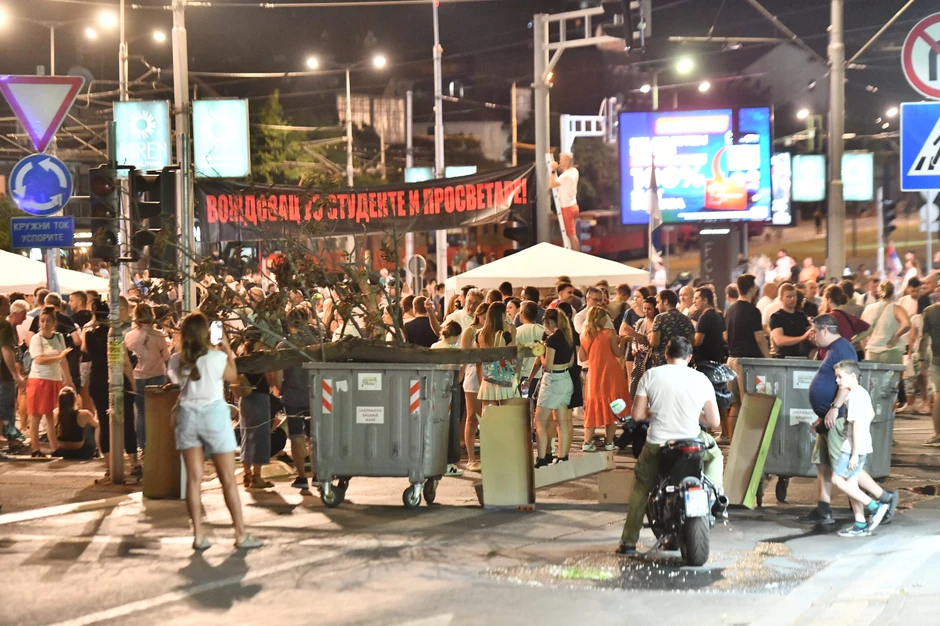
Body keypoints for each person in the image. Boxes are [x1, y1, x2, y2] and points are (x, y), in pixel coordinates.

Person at [616, 337, 723, 556]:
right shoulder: (701, 379)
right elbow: (714, 422)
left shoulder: (651, 375)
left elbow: (637, 415)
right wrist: (694, 414)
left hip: (658, 443)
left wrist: (654, 412)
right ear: (690, 356)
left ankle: (628, 541)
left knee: (640, 486)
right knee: (715, 455)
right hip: (693, 440)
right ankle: (715, 494)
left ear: (666, 354)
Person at [168, 312, 261, 551]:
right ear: (206, 333)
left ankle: (198, 535)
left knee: (194, 480)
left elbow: (176, 380)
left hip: (188, 416)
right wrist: (226, 346)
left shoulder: (177, 359)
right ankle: (240, 533)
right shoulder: (217, 357)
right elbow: (232, 376)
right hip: (214, 417)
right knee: (227, 479)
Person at [802, 315, 898, 526]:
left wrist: (835, 408)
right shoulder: (832, 349)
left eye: (814, 331)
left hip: (836, 419)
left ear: (825, 329)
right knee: (823, 463)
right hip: (827, 418)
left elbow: (846, 384)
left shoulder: (842, 348)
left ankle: (884, 498)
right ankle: (823, 508)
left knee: (844, 467)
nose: (812, 335)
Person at [827, 360, 891, 537]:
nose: (837, 381)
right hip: (862, 445)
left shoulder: (854, 395)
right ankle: (860, 523)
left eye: (840, 377)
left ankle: (875, 506)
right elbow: (871, 414)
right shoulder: (862, 392)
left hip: (851, 448)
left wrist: (854, 453)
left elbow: (856, 425)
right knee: (852, 485)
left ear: (852, 376)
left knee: (837, 480)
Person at [83, 300, 138, 479]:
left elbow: (84, 349)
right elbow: (123, 362)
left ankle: (108, 465)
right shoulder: (113, 335)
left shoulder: (89, 334)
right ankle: (134, 461)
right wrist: (132, 382)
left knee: (104, 423)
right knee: (127, 420)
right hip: (116, 380)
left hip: (97, 381)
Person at [525, 308, 575, 467]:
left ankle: (541, 458)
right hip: (566, 378)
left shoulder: (552, 340)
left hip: (553, 380)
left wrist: (540, 351)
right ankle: (562, 457)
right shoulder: (568, 336)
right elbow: (572, 361)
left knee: (539, 421)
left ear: (548, 322)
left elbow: (547, 365)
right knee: (562, 422)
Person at [725, 274, 770, 444]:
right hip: (748, 363)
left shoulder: (730, 309)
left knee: (735, 404)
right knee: (750, 403)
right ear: (752, 288)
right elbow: (759, 338)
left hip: (731, 359)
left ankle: (733, 442)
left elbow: (725, 335)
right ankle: (748, 444)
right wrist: (768, 358)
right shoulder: (753, 311)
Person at [579, 306, 629, 451]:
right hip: (611, 373)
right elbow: (618, 353)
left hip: (594, 374)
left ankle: (587, 442)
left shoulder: (584, 335)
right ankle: (609, 442)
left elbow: (582, 357)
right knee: (614, 406)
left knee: (592, 407)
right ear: (600, 319)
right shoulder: (609, 333)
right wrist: (624, 341)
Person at [26, 307, 74, 457]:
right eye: (42, 321)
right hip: (39, 379)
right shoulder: (36, 339)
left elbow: (64, 360)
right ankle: (35, 449)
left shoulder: (59, 337)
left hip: (54, 379)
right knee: (36, 415)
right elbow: (39, 360)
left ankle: (54, 448)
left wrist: (68, 378)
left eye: (48, 321)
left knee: (51, 415)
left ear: (54, 323)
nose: (44, 324)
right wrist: (59, 357)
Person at [124, 303, 170, 452]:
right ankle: (157, 444)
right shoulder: (158, 335)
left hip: (137, 376)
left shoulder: (129, 336)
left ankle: (143, 446)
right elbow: (166, 356)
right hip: (157, 375)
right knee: (157, 412)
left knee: (141, 412)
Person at [276, 308, 314, 491]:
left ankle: (302, 477)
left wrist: (283, 389)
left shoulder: (284, 346)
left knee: (297, 437)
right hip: (315, 397)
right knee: (314, 437)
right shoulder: (317, 344)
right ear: (308, 320)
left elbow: (277, 377)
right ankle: (317, 474)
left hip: (293, 397)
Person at [237, 331, 277, 490]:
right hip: (260, 398)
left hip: (244, 398)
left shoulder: (241, 357)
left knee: (246, 435)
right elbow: (270, 380)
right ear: (259, 342)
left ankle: (247, 474)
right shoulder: (261, 359)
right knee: (260, 437)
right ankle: (257, 477)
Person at [431, 321, 465, 478]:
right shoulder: (455, 350)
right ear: (456, 335)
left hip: (434, 389)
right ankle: (448, 461)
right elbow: (459, 372)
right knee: (450, 426)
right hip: (449, 389)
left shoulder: (434, 347)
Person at [460, 301, 488, 472]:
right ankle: (471, 457)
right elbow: (464, 357)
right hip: (472, 376)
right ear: (478, 316)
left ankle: (487, 455)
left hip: (489, 376)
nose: (486, 321)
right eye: (484, 317)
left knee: (486, 419)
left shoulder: (491, 331)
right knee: (472, 417)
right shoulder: (470, 331)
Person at [476, 302, 519, 407]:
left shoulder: (479, 335)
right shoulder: (505, 334)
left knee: (488, 417)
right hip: (505, 378)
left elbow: (478, 360)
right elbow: (512, 356)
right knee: (507, 416)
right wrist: (513, 335)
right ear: (503, 315)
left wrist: (480, 380)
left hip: (487, 378)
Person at [0, 296, 27, 446]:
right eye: (7, 303)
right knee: (4, 409)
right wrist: (15, 375)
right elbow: (6, 349)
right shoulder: (4, 325)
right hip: (3, 374)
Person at [647, 289, 694, 369]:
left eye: (658, 302)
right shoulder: (686, 319)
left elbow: (654, 343)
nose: (656, 306)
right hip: (682, 362)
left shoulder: (660, 318)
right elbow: (691, 341)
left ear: (665, 302)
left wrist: (649, 336)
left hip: (663, 363)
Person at [52, 386, 97, 460]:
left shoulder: (55, 412)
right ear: (75, 399)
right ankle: (98, 450)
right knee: (89, 425)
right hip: (84, 451)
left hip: (64, 452)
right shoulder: (84, 414)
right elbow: (97, 425)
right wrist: (96, 413)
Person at [769, 283, 813, 358]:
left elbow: (810, 332)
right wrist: (802, 337)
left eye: (794, 296)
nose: (792, 299)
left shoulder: (801, 315)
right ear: (781, 298)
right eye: (789, 297)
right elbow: (779, 341)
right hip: (784, 358)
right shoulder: (776, 317)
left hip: (803, 358)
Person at [549, 152, 581, 252]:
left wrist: (552, 171)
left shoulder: (565, 176)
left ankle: (577, 256)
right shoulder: (574, 171)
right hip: (574, 205)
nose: (560, 162)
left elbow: (551, 184)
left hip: (567, 208)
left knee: (571, 235)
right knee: (570, 233)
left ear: (567, 161)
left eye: (562, 160)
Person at [692, 287, 727, 366]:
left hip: (705, 363)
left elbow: (697, 342)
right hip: (716, 360)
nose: (693, 301)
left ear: (705, 300)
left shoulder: (704, 317)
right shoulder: (717, 315)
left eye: (696, 298)